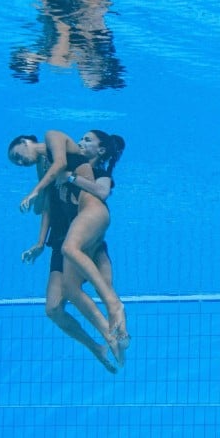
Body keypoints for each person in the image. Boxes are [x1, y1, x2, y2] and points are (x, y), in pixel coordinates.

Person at [9, 133, 118, 373]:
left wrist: (39, 189)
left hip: (87, 240)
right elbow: (46, 208)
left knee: (104, 291)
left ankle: (115, 334)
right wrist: (39, 243)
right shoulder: (48, 168)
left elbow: (98, 193)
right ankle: (96, 346)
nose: (19, 162)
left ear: (26, 141)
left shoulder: (75, 164)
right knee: (53, 309)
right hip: (61, 242)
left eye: (18, 155)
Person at [61, 130, 131, 364]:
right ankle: (114, 342)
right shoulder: (78, 170)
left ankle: (118, 318)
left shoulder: (102, 174)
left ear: (101, 151)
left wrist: (70, 177)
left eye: (87, 140)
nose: (81, 142)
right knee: (71, 291)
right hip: (84, 235)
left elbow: (102, 192)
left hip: (95, 235)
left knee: (107, 288)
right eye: (80, 139)